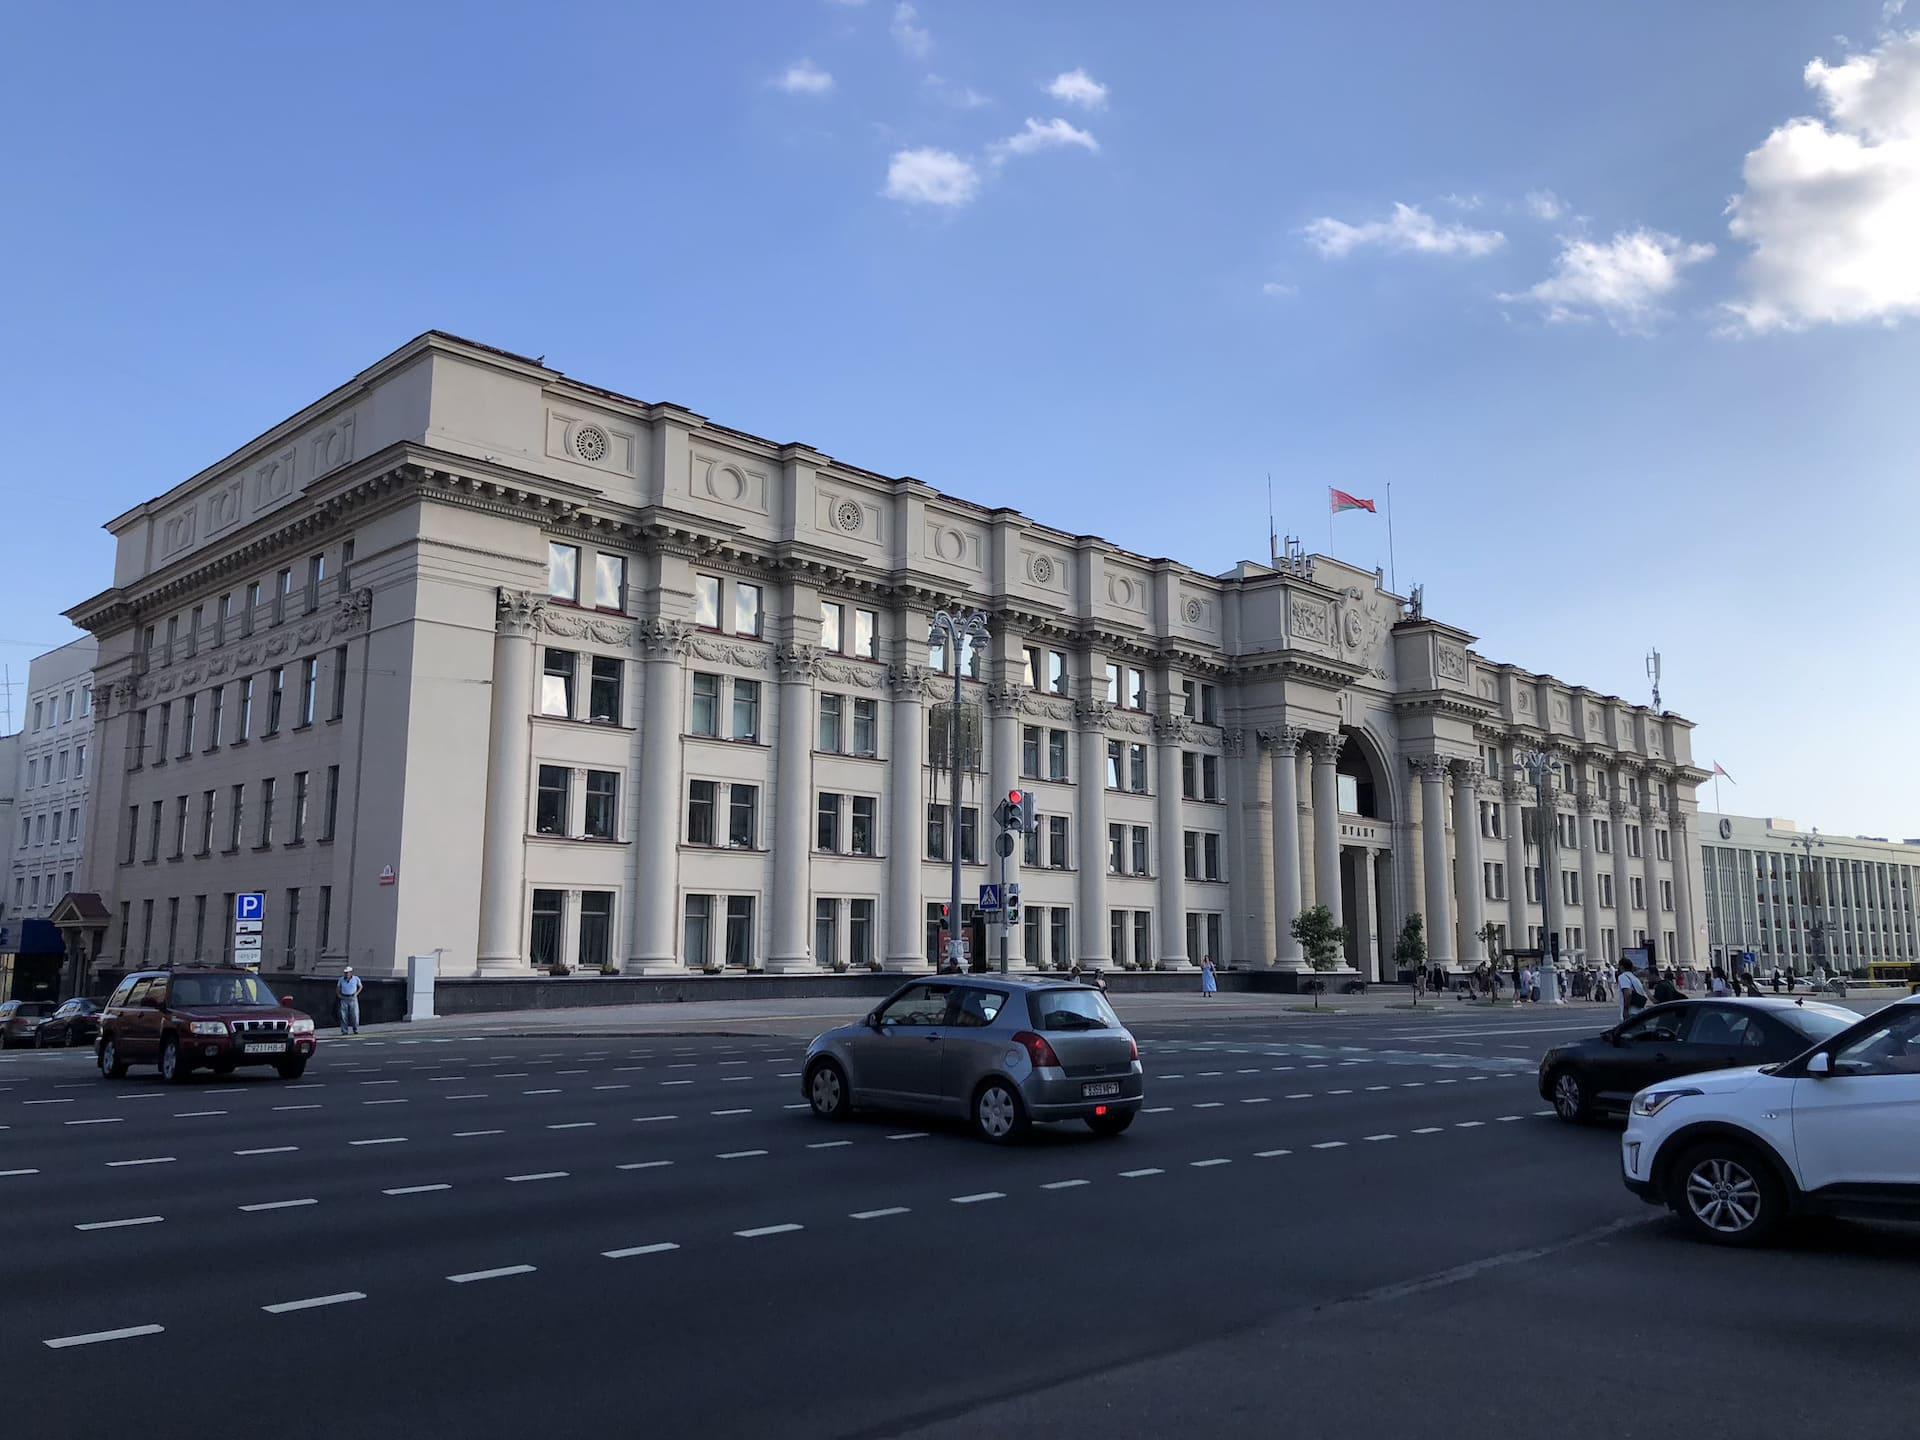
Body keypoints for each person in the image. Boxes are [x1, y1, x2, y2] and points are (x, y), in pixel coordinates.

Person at [335, 965, 363, 1035]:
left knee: (355, 1015)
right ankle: (344, 1031)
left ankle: (356, 1029)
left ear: (351, 973)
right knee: (343, 1015)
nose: (346, 974)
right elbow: (338, 988)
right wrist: (339, 995)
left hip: (353, 998)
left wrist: (356, 993)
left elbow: (360, 986)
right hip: (344, 998)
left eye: (348, 973)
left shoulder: (356, 979)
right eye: (345, 973)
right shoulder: (341, 979)